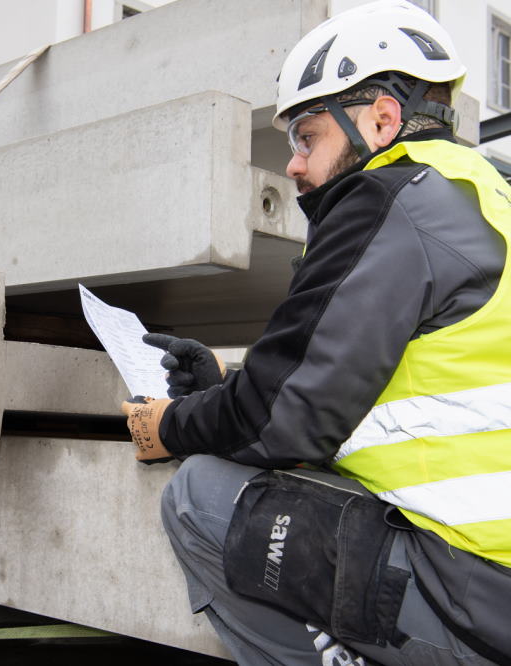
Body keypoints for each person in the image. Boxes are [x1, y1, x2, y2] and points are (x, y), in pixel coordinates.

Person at [121, 2, 511, 664]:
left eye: (307, 137)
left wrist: (170, 426)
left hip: (474, 590)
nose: (294, 165)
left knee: (197, 498)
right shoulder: (480, 193)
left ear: (381, 120)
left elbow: (286, 422)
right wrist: (227, 385)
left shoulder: (391, 200)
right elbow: (371, 381)